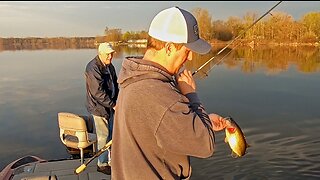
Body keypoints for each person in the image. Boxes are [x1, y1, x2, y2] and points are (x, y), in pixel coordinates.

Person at [111, 6, 233, 179]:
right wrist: (191, 95)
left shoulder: (132, 78)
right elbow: (205, 145)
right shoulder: (161, 96)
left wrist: (199, 121)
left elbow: (159, 126)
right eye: (187, 50)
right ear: (168, 48)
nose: (190, 58)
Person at [84, 42, 119, 175]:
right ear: (100, 54)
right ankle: (102, 164)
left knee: (111, 135)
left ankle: (110, 161)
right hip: (99, 109)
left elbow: (115, 84)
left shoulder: (110, 66)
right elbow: (97, 92)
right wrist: (114, 105)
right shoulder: (93, 68)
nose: (110, 57)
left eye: (112, 54)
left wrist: (118, 100)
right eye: (108, 54)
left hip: (109, 107)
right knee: (103, 137)